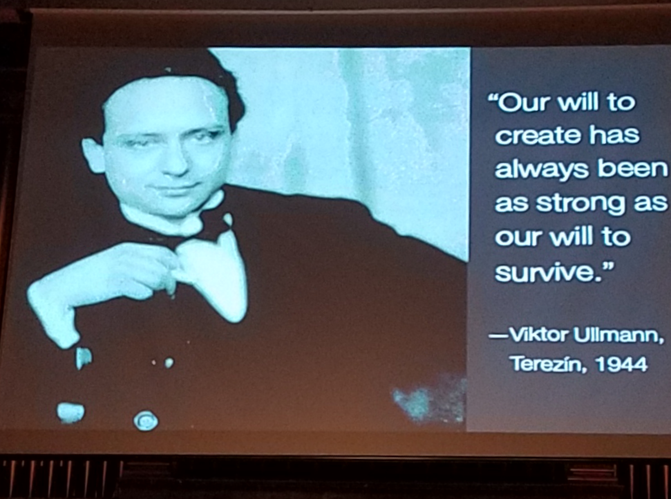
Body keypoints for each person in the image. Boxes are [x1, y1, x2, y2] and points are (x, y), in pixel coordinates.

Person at [1, 48, 466, 438]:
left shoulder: (329, 227)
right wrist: (48, 300)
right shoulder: (35, 261)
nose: (178, 165)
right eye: (143, 143)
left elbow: (485, 307)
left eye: (202, 137)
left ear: (231, 138)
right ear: (95, 154)